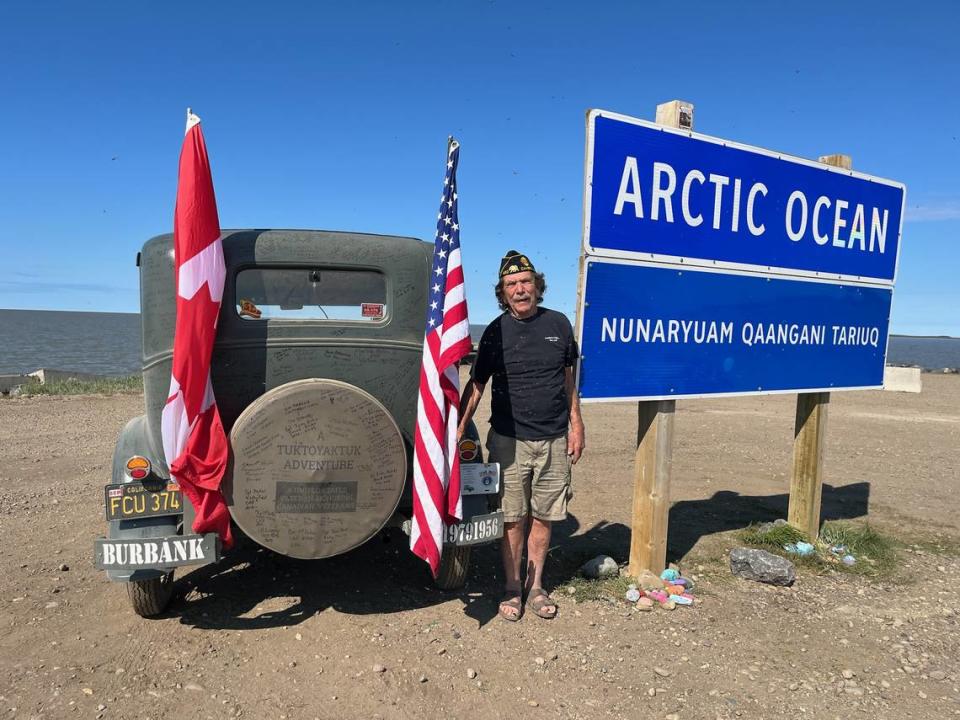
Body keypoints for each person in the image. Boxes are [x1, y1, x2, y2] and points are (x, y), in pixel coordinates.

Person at [458, 250, 585, 621]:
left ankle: (537, 586)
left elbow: (568, 382)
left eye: (525, 282)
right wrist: (457, 429)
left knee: (544, 516)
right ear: (503, 291)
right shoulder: (496, 330)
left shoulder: (560, 324)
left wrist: (577, 425)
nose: (519, 289)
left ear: (537, 285)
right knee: (512, 517)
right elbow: (477, 384)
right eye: (511, 284)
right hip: (509, 441)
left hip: (553, 440)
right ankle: (513, 587)